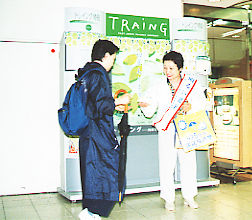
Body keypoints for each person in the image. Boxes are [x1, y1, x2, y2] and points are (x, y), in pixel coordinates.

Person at [139, 51, 206, 211]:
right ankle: (168, 198)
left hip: (186, 129)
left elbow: (201, 102)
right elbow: (151, 106)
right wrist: (146, 106)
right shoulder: (159, 86)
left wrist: (191, 106)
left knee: (188, 163)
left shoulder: (191, 85)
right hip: (167, 130)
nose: (167, 72)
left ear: (180, 68)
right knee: (167, 164)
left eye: (171, 68)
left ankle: (189, 196)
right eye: (165, 68)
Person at [78, 39, 131, 220]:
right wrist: (119, 101)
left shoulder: (86, 73)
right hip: (97, 134)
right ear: (106, 55)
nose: (113, 63)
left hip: (89, 133)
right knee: (104, 171)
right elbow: (100, 105)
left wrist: (113, 105)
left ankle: (90, 212)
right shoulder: (97, 74)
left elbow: (93, 105)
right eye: (113, 59)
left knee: (93, 173)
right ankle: (92, 213)